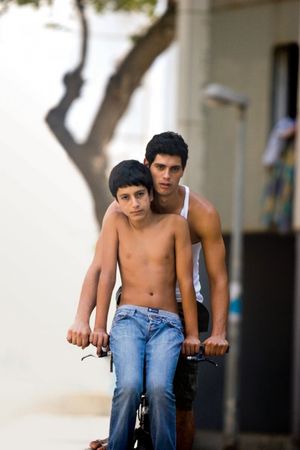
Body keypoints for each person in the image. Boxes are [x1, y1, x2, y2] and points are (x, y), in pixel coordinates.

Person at [67, 131, 229, 450]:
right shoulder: (123, 207)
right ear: (147, 165)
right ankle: (118, 438)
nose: (166, 176)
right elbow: (100, 268)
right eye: (159, 168)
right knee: (128, 384)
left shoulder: (200, 213)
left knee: (177, 400)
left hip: (184, 308)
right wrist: (84, 320)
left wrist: (218, 333)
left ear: (183, 169)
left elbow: (219, 277)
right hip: (134, 305)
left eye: (174, 168)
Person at [90, 159, 200, 450]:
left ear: (150, 194)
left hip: (168, 323)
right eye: (125, 198)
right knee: (128, 386)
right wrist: (99, 326)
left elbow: (186, 283)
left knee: (160, 389)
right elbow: (106, 275)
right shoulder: (116, 222)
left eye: (139, 194)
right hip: (129, 320)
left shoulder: (176, 225)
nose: (134, 203)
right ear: (117, 202)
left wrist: (191, 333)